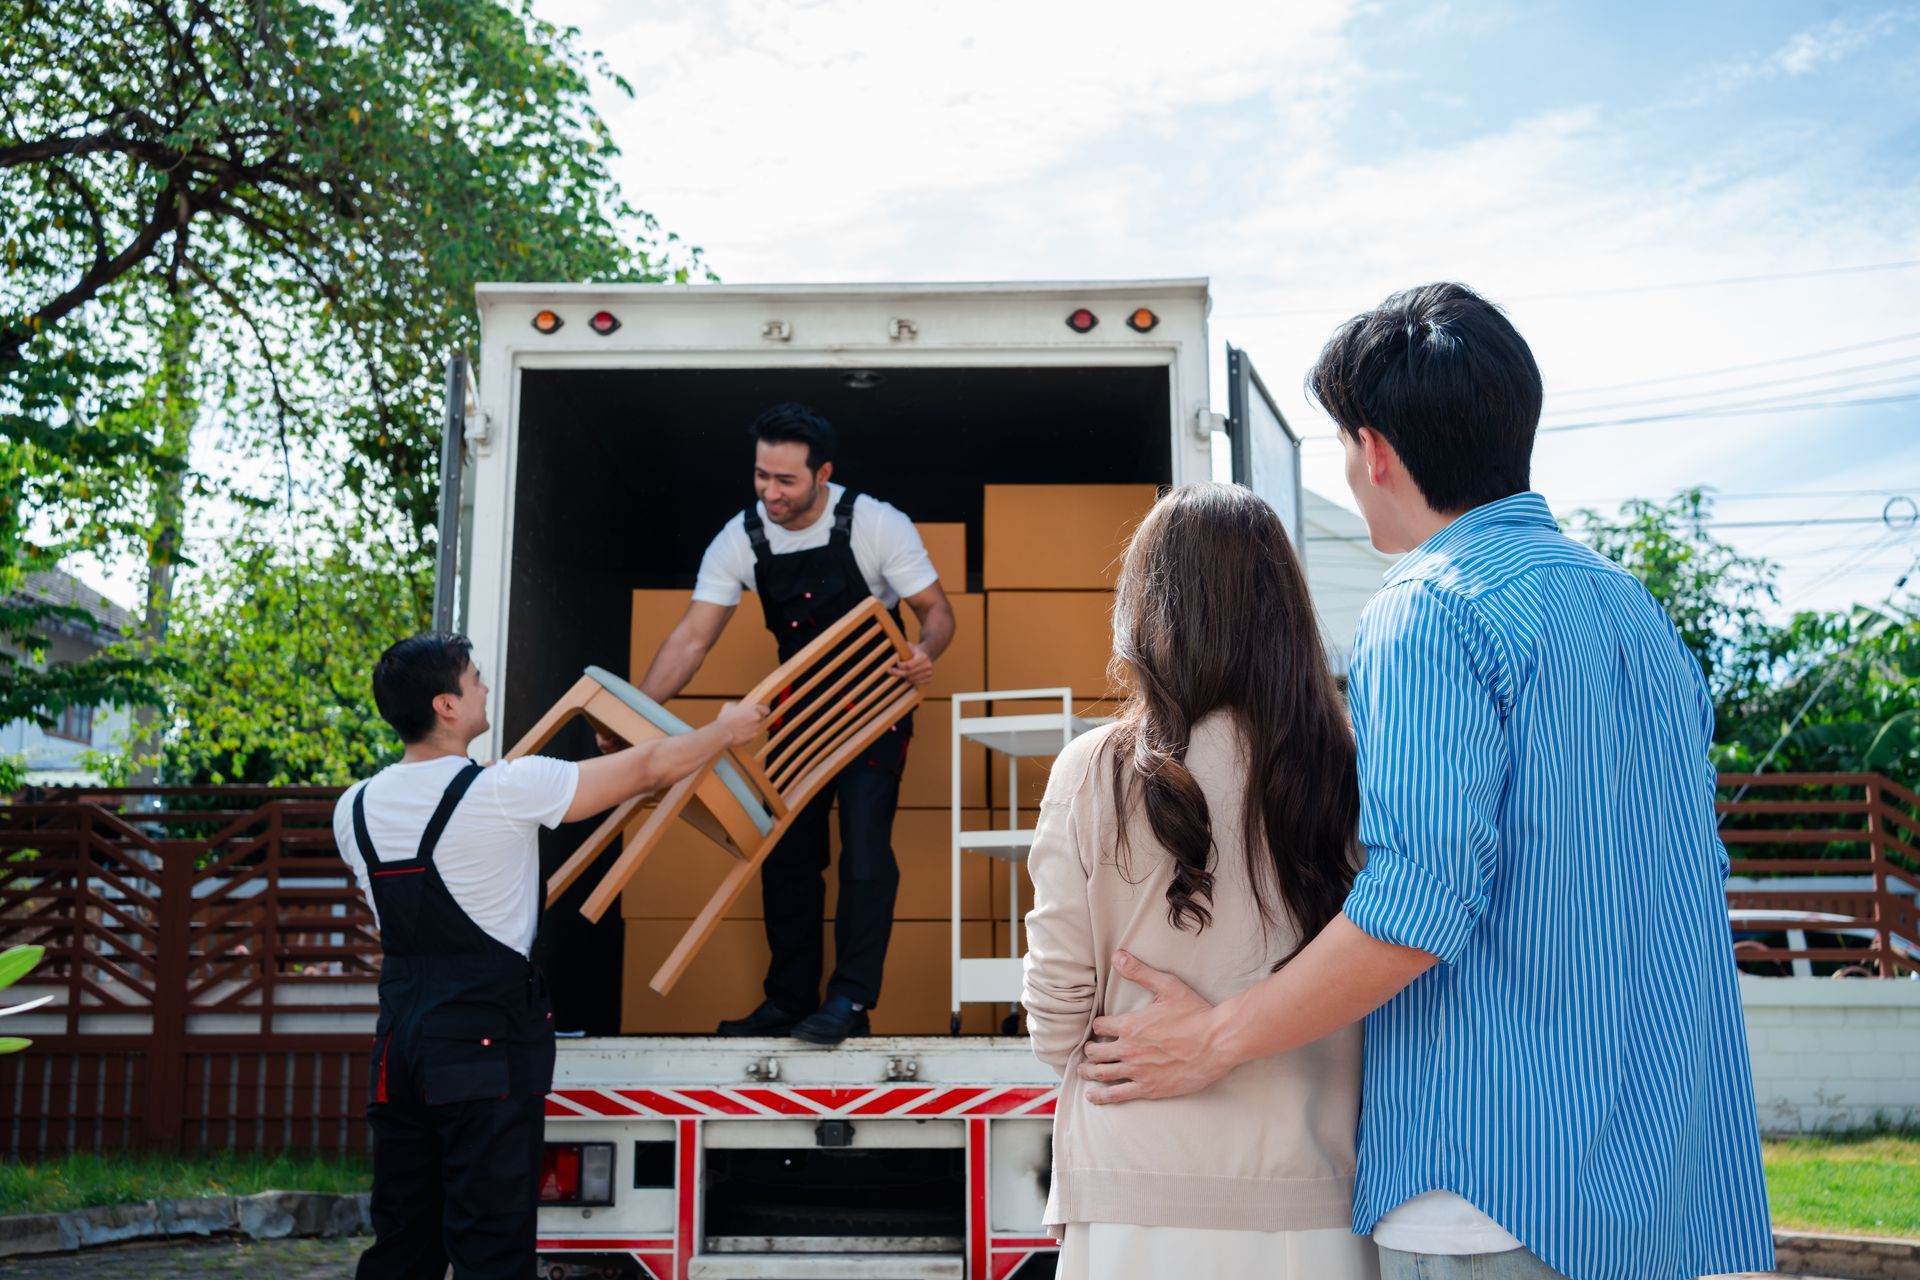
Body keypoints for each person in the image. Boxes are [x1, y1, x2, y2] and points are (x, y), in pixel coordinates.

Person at [1074, 284, 1775, 1280]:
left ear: (1375, 450)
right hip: (1664, 1182)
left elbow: (1417, 904)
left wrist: (1216, 1038)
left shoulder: (1430, 610)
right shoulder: (1634, 611)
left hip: (1490, 1187)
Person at [1022, 483, 1377, 1280]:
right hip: (1314, 1199)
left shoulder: (1093, 770)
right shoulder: (1355, 766)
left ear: (1145, 609)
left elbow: (1054, 1025)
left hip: (1132, 1198)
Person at [336, 632, 767, 1280]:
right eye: (474, 678)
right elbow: (649, 769)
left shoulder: (355, 808)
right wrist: (725, 729)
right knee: (491, 1243)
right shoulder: (508, 789)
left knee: (402, 1238)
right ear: (445, 706)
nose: (485, 686)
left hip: (400, 1045)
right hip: (482, 1043)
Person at [621, 402, 955, 1045]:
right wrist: (636, 710)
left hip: (871, 705)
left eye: (786, 481)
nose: (770, 492)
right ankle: (788, 1000)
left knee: (864, 849)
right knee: (786, 858)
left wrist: (923, 651)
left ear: (823, 473)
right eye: (761, 476)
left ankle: (851, 1001)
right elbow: (692, 639)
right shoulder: (741, 538)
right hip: (797, 712)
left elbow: (936, 612)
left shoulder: (876, 523)